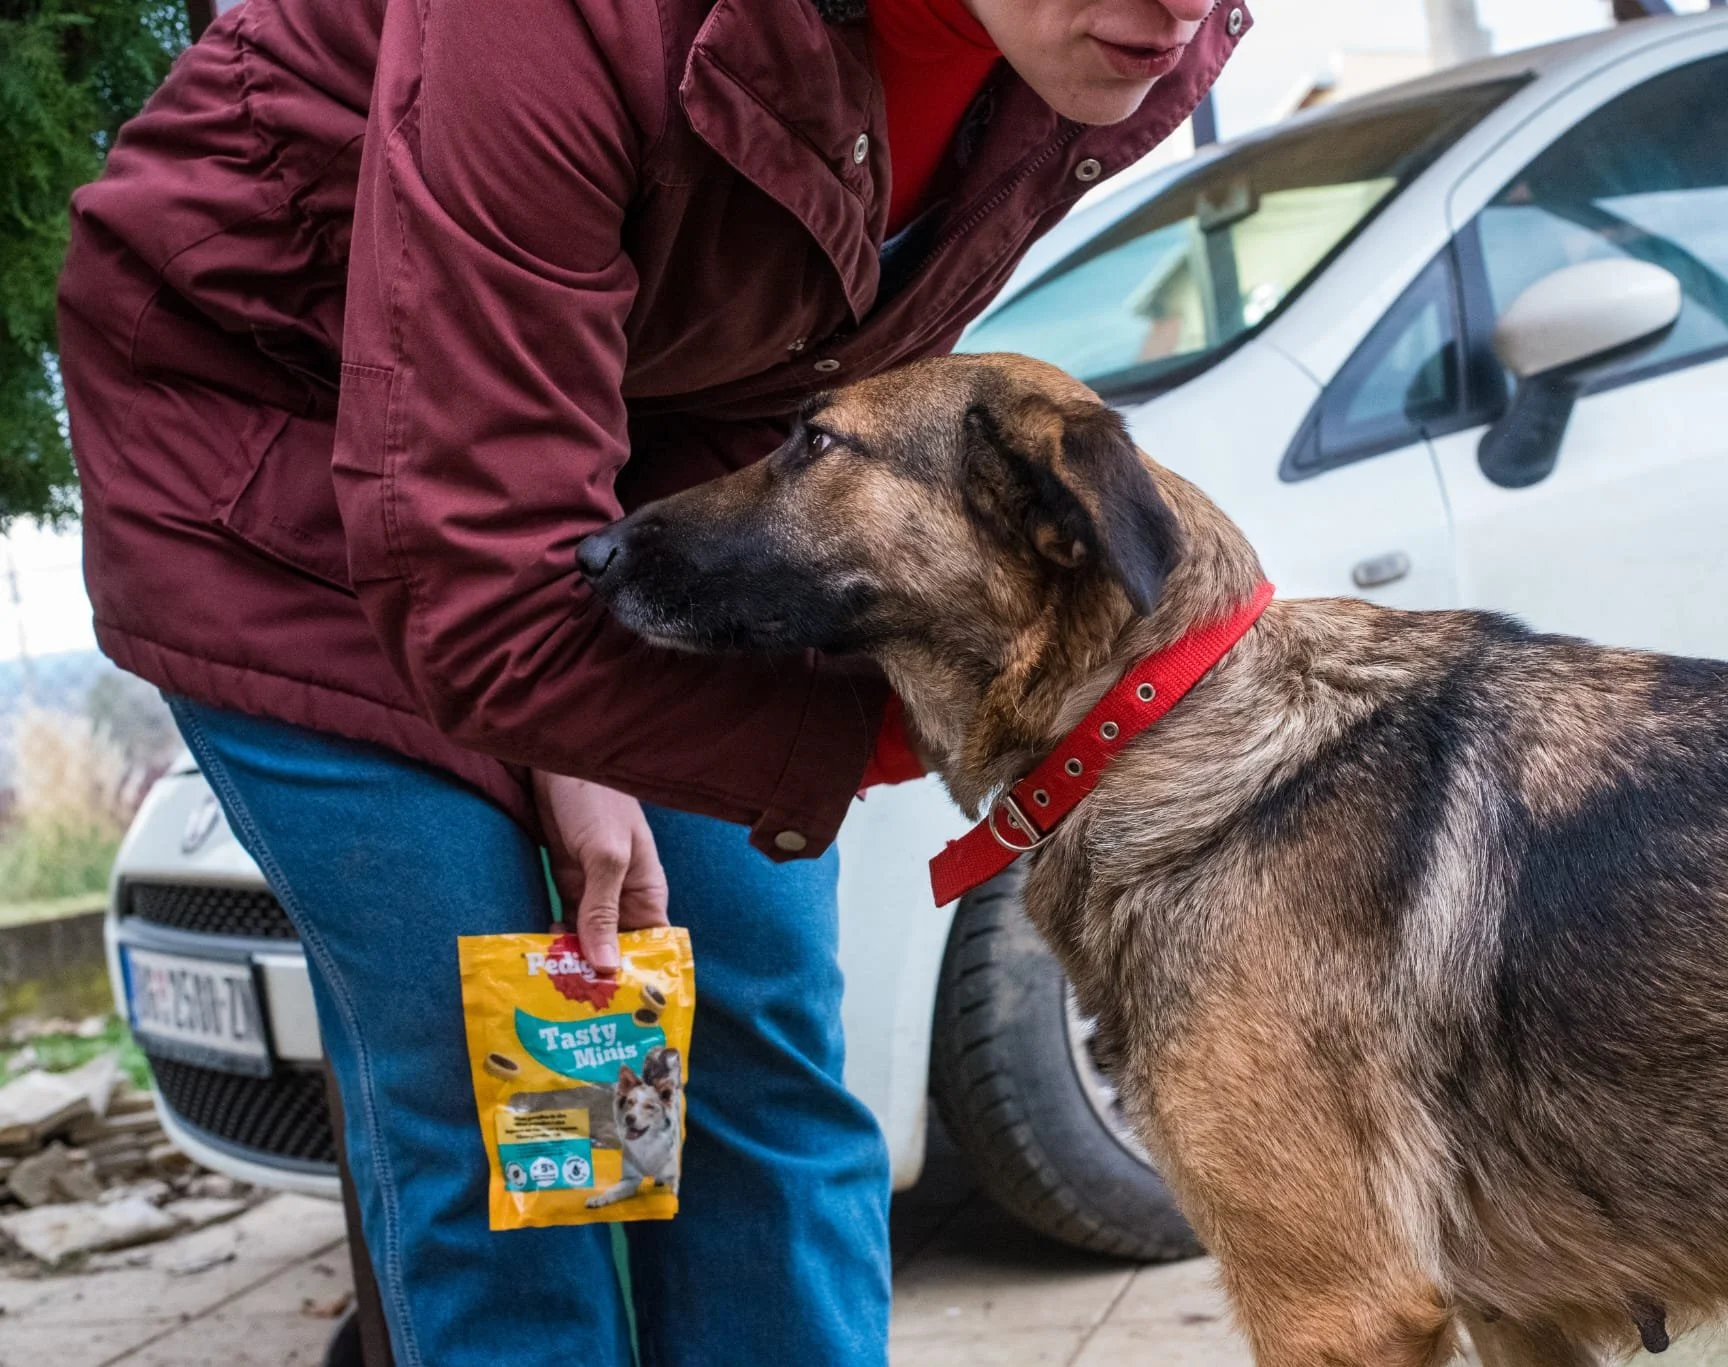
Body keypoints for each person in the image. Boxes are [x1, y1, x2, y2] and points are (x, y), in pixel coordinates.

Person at [56, 0, 1248, 1361]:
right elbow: (494, 598)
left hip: (628, 440)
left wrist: (611, 721)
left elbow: (769, 343)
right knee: (506, 1069)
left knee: (757, 1035)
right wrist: (948, 712)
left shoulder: (1103, 41)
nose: (1182, 8)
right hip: (278, 453)